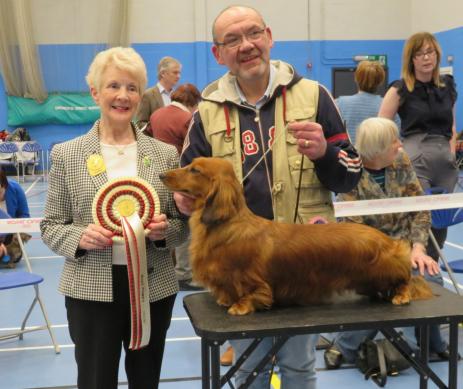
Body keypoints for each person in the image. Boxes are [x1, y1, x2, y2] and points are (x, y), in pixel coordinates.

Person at [175, 5, 362, 388]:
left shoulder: (315, 96)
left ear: (269, 37)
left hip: (301, 265)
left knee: (299, 369)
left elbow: (349, 176)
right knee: (247, 369)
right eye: (232, 39)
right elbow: (185, 188)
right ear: (218, 53)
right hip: (240, 272)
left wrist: (324, 154)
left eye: (253, 33)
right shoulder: (206, 112)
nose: (246, 45)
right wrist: (182, 202)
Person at [40, 47, 188, 389]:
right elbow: (50, 225)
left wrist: (165, 232)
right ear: (95, 92)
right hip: (90, 291)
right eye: (113, 86)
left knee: (146, 380)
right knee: (94, 381)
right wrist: (79, 238)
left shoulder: (165, 154)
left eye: (133, 87)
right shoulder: (66, 154)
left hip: (154, 289)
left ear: (141, 95)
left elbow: (183, 224)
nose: (123, 96)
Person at [324, 117, 449, 369]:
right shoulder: (349, 175)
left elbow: (420, 209)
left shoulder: (400, 161)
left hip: (407, 250)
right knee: (386, 286)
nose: (400, 145)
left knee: (431, 276)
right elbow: (354, 235)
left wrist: (418, 248)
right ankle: (361, 345)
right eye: (394, 141)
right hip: (370, 259)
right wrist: (392, 260)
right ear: (377, 149)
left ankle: (429, 344)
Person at [379, 31, 458, 264]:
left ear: (437, 55)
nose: (426, 58)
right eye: (420, 53)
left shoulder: (448, 86)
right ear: (411, 59)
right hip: (415, 156)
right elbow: (381, 125)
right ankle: (414, 263)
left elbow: (451, 123)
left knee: (440, 220)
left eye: (430, 52)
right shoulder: (400, 88)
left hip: (445, 160)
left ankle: (431, 265)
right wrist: (399, 151)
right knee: (420, 216)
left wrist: (452, 149)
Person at [149, 83, 202, 290]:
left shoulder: (156, 115)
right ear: (191, 102)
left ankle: (174, 268)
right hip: (179, 177)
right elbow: (193, 151)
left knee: (162, 222)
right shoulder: (186, 119)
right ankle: (183, 273)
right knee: (182, 224)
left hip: (156, 175)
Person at [336, 60, 394, 145]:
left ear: (356, 78)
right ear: (380, 81)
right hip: (377, 157)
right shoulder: (390, 106)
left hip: (347, 156)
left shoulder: (338, 103)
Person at [136, 56, 182, 127]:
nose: (179, 76)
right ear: (163, 73)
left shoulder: (178, 96)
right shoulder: (148, 95)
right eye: (175, 73)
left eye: (179, 73)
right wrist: (157, 129)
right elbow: (140, 124)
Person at [0, 168, 31, 267]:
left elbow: (25, 216)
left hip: (10, 234)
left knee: (14, 257)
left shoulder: (15, 188)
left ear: (4, 185)